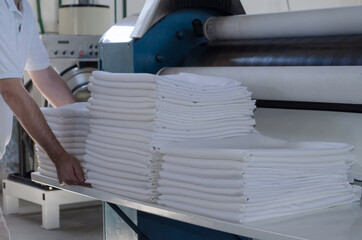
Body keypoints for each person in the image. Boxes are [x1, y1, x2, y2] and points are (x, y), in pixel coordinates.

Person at [0, 0, 86, 185]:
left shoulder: (25, 11)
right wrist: (59, 157)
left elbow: (45, 76)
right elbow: (10, 90)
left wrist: (86, 127)